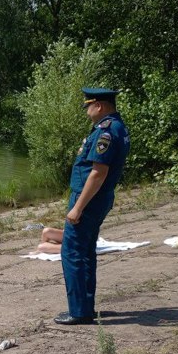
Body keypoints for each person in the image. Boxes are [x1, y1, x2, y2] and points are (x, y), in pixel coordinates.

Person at [55, 88, 130, 325]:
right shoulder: (115, 127)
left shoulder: (107, 132)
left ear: (98, 105)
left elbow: (98, 173)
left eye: (88, 106)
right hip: (98, 198)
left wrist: (77, 208)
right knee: (86, 252)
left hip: (89, 198)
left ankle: (78, 311)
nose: (86, 111)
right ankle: (85, 307)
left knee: (73, 252)